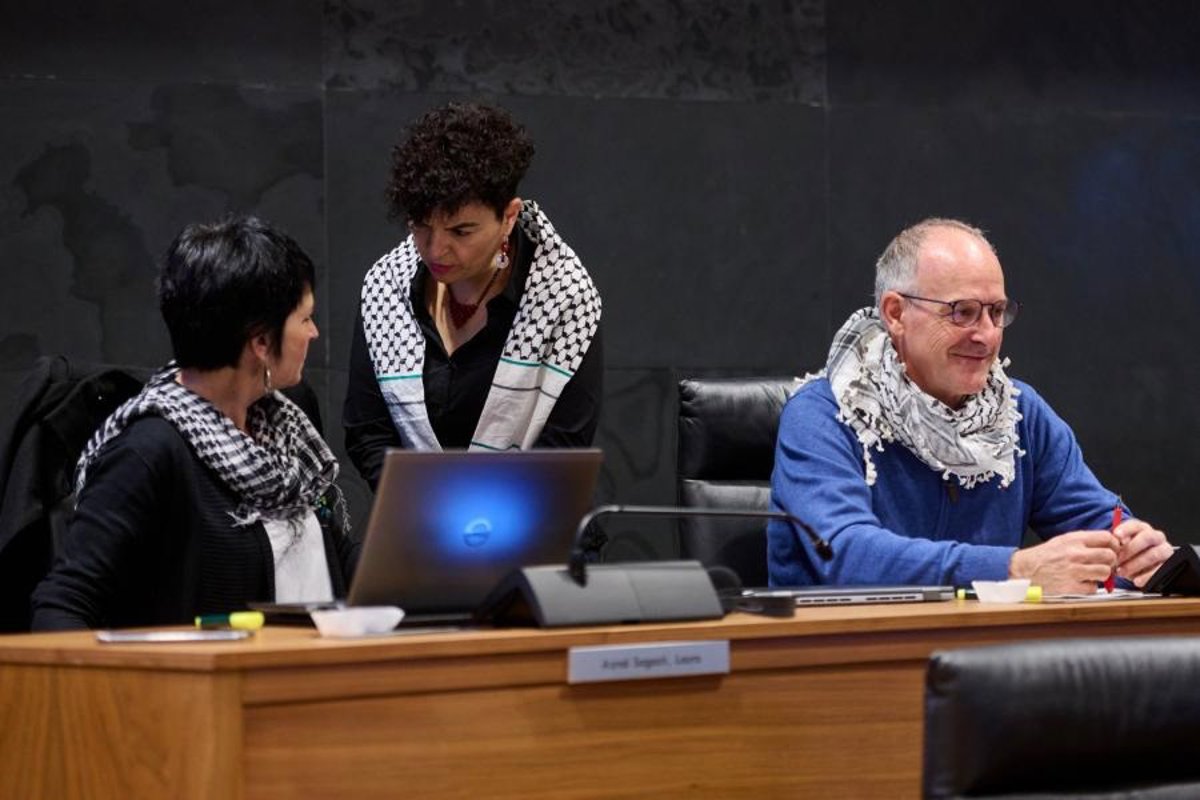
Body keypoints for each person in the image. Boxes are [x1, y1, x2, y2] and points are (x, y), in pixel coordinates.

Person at [768, 218, 1173, 595]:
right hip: (852, 646)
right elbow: (846, 556)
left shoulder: (1020, 414)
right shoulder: (823, 415)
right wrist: (1014, 570)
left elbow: (1103, 533)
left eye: (996, 312)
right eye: (963, 312)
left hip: (985, 646)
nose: (986, 335)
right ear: (896, 313)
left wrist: (1136, 555)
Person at [31, 216, 358, 630]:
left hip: (321, 660)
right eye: (305, 318)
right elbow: (63, 604)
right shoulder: (147, 451)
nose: (314, 333)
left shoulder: (287, 420)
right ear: (261, 342)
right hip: (212, 671)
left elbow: (337, 552)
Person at [343, 102, 603, 490]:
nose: (435, 250)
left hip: (532, 515)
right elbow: (368, 431)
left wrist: (473, 517)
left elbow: (564, 448)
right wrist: (426, 508)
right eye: (421, 226)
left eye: (460, 232)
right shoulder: (386, 285)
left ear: (509, 217)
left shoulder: (566, 296)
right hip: (413, 512)